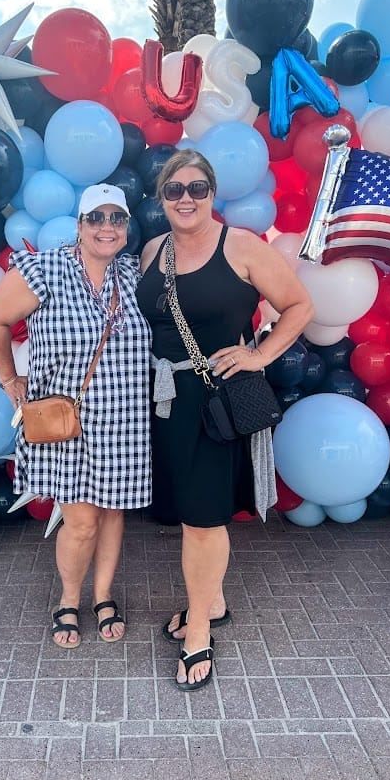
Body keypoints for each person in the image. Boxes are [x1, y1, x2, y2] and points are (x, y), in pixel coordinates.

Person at [136, 149, 314, 691]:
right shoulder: (150, 251)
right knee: (190, 512)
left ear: (212, 195)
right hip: (163, 402)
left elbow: (299, 306)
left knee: (204, 518)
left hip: (215, 401)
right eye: (174, 190)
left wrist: (259, 354)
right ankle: (210, 600)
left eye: (197, 188)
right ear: (162, 198)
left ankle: (197, 633)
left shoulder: (240, 246)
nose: (185, 198)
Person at [0, 184, 151, 648]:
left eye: (117, 218)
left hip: (125, 421)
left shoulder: (134, 275)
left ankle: (103, 595)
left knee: (113, 513)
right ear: (79, 225)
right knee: (81, 522)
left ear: (126, 228)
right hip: (68, 425)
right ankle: (69, 600)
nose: (107, 227)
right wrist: (8, 378)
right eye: (96, 218)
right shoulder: (44, 269)